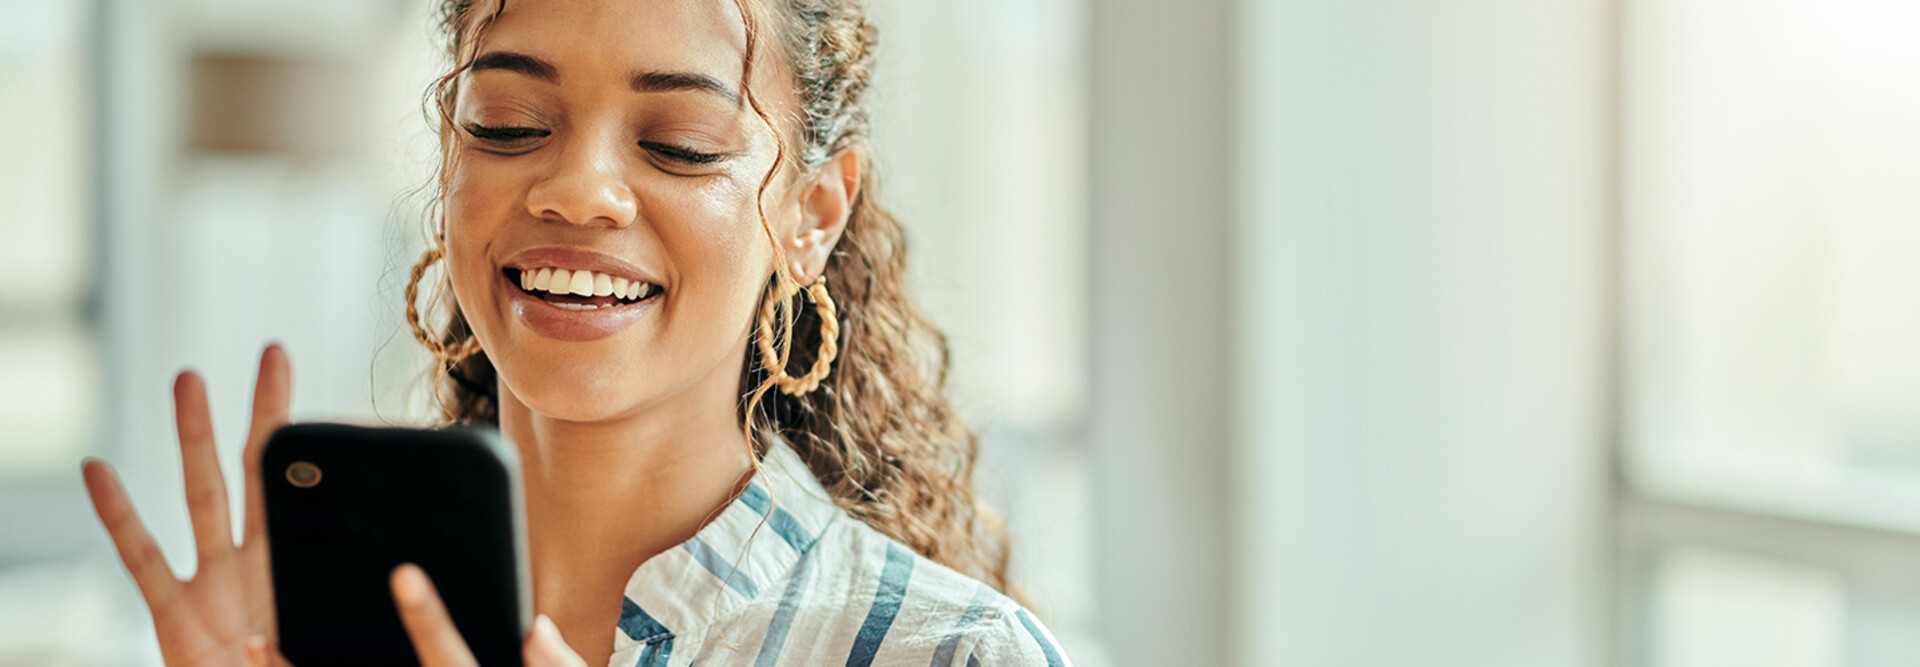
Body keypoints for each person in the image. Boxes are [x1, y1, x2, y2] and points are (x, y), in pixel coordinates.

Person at [77, 0, 1072, 664]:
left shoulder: (952, 654)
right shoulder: (327, 629)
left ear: (812, 216)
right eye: (508, 123)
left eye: (679, 144)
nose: (577, 191)